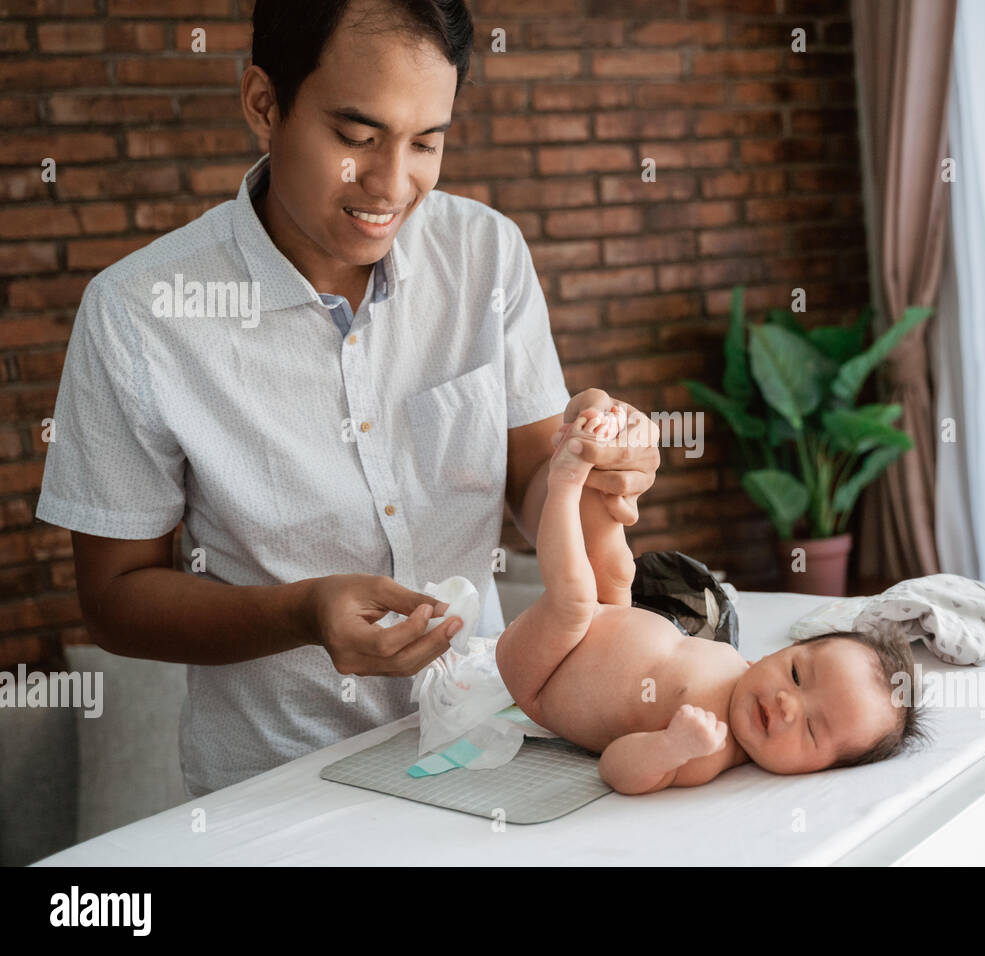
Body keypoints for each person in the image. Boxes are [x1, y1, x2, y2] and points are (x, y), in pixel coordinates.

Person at [34, 0, 659, 797]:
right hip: (280, 793)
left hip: (494, 745)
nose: (392, 185)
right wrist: (300, 615)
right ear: (265, 103)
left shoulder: (485, 256)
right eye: (357, 138)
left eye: (426, 142)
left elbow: (533, 489)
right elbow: (115, 601)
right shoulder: (139, 312)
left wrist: (588, 463)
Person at [496, 406, 924, 794]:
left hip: (540, 673)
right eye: (795, 675)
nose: (786, 704)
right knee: (617, 570)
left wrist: (669, 748)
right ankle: (610, 489)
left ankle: (566, 481)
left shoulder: (706, 747)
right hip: (605, 617)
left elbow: (615, 768)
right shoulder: (739, 667)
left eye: (812, 729)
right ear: (779, 654)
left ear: (818, 770)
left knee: (574, 598)